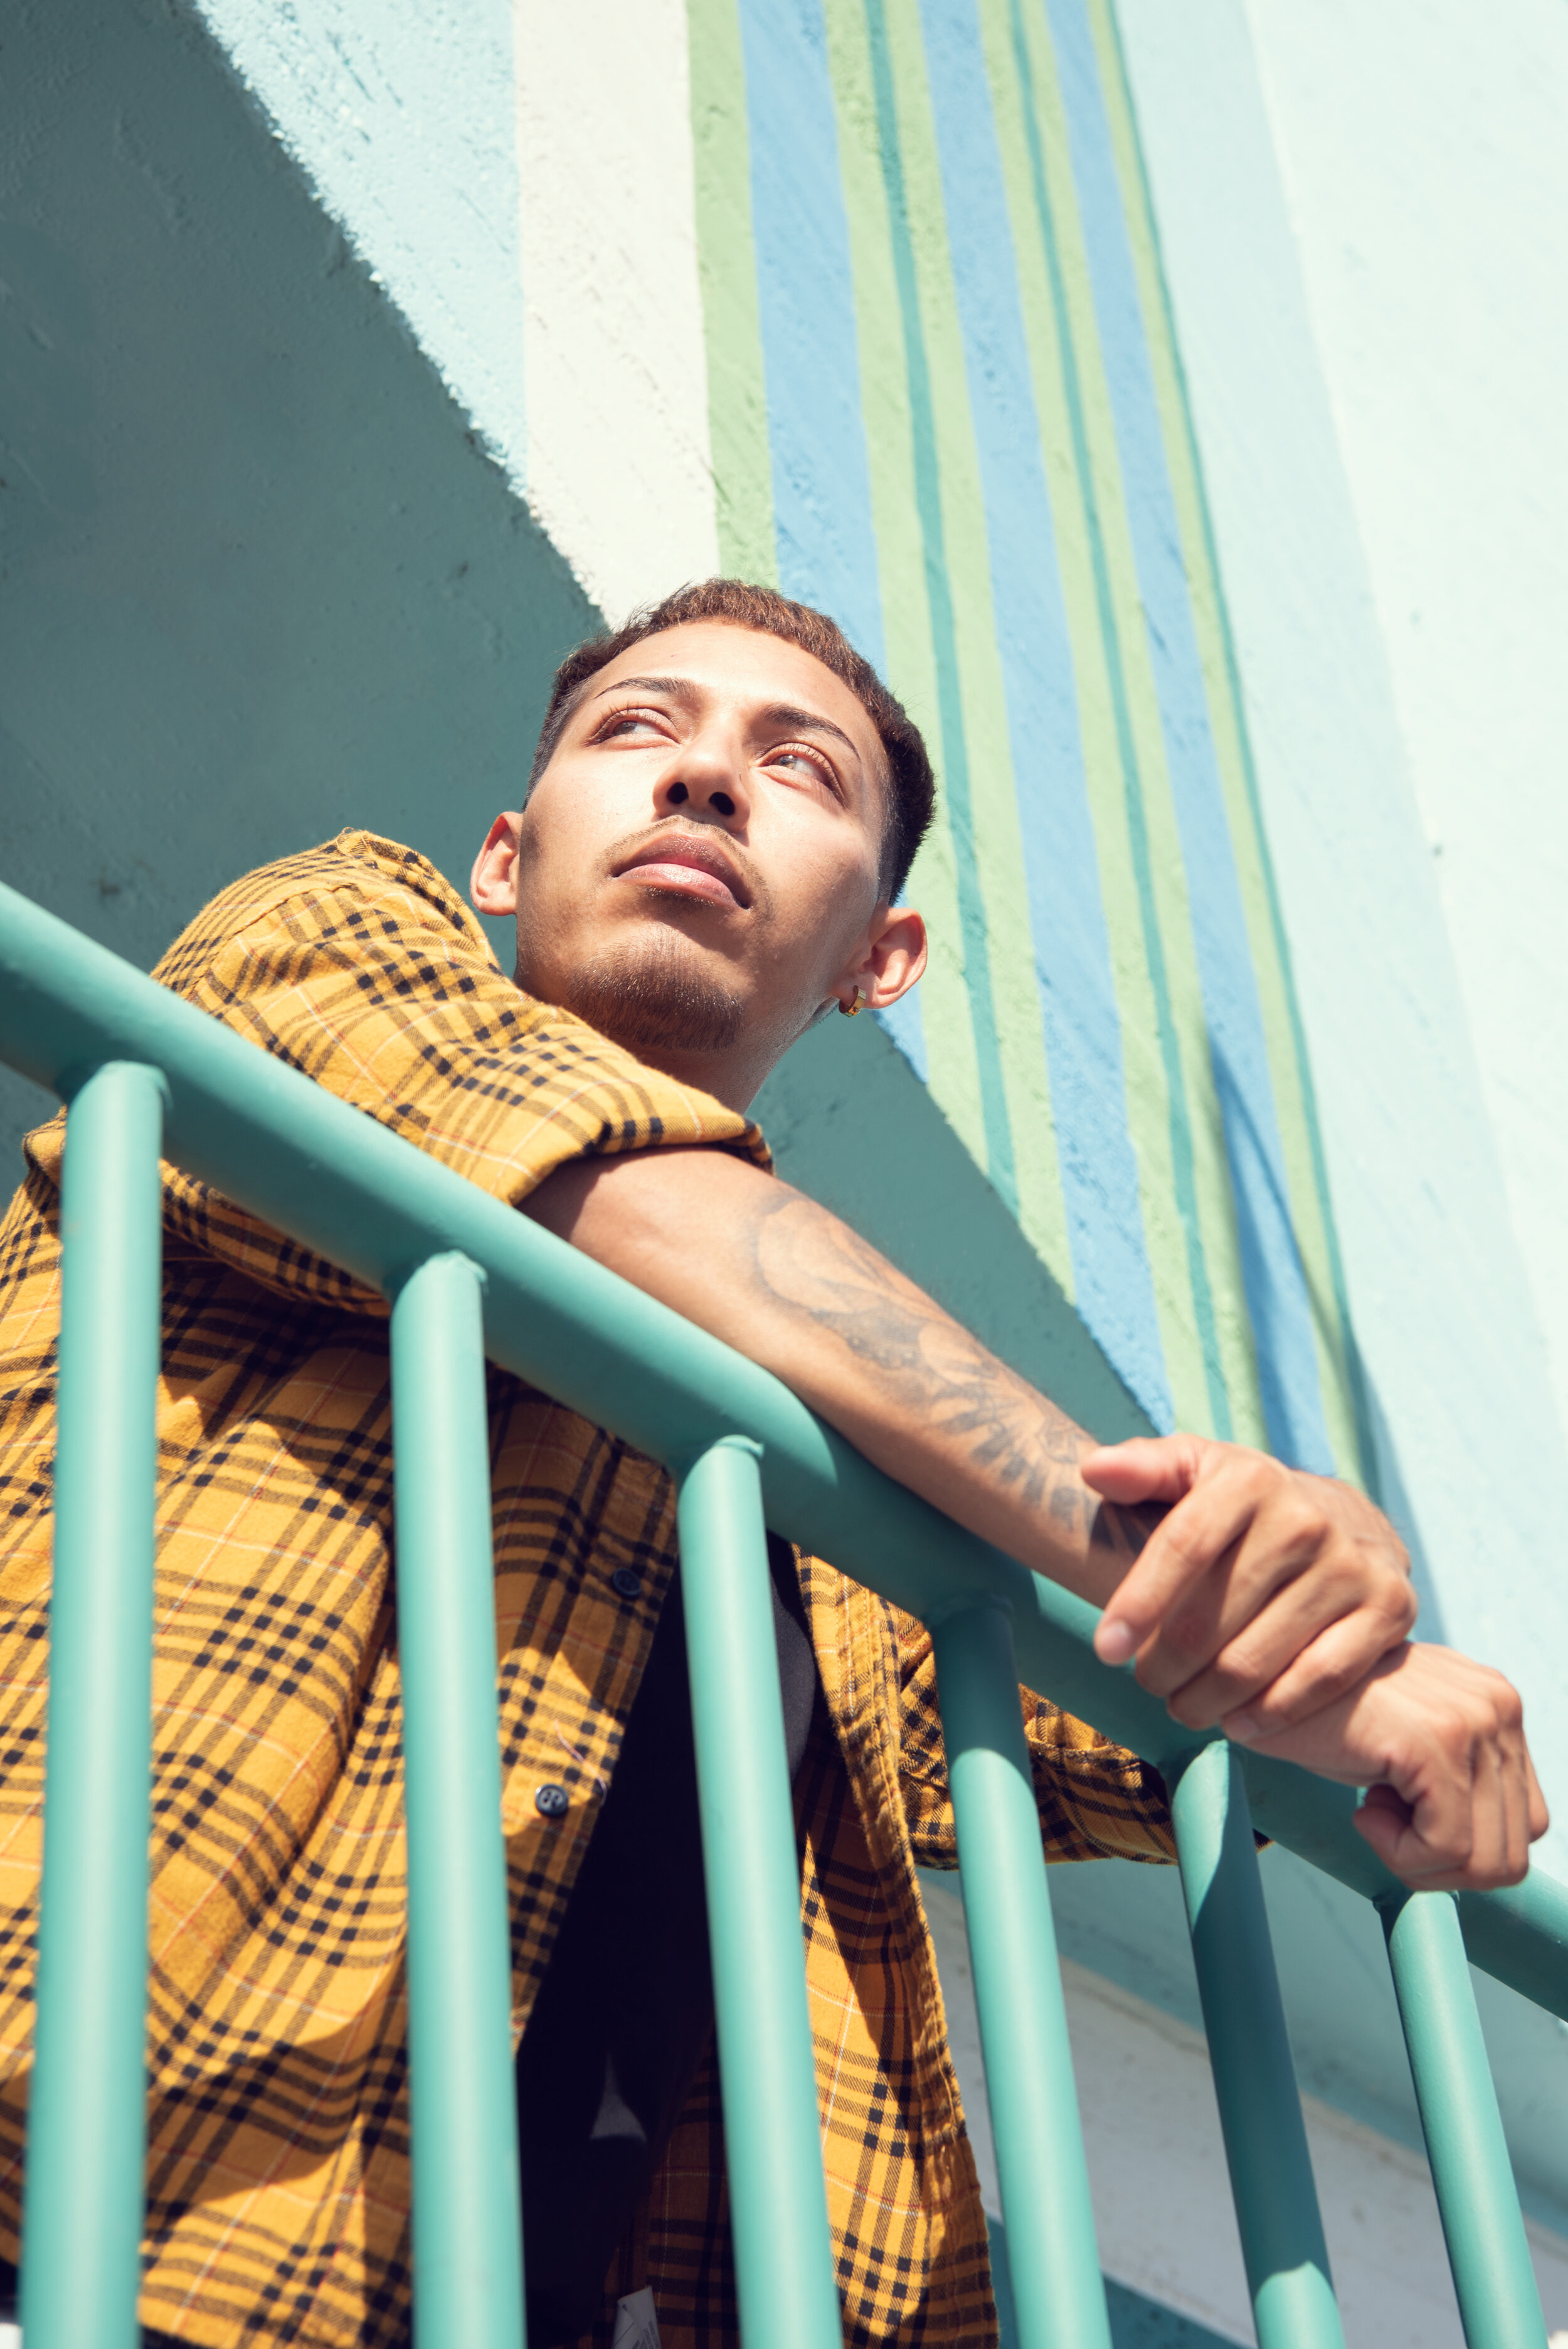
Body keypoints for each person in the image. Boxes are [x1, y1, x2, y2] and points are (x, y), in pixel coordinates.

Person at [0, 580, 1544, 2349]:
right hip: (74, 2211)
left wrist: (1321, 1604)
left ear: (878, 959)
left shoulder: (843, 1536)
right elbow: (603, 1182)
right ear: (503, 856)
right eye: (637, 730)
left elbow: (1170, 1712)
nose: (706, 778)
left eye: (796, 768)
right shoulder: (320, 942)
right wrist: (1168, 1559)